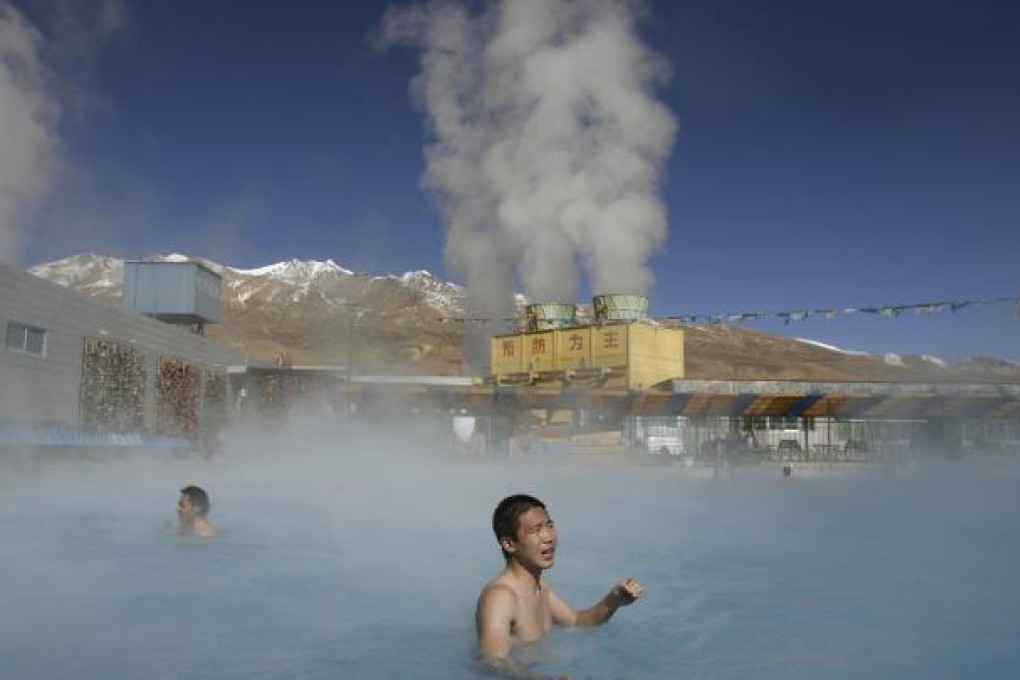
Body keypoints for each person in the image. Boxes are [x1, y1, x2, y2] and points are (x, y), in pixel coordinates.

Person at [476, 494, 643, 676]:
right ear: (509, 544)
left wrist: (616, 599)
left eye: (549, 526)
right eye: (536, 530)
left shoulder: (540, 586)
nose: (548, 537)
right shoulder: (500, 597)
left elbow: (577, 621)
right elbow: (492, 661)